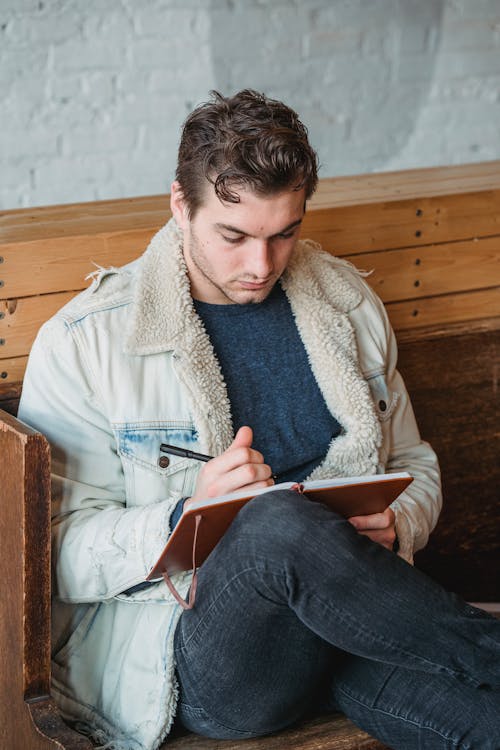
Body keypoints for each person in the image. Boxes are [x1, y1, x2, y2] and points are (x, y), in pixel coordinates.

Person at [19, 89, 499, 750]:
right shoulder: (85, 344)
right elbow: (50, 561)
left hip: (353, 628)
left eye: (284, 234)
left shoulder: (346, 303)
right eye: (233, 235)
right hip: (202, 664)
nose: (260, 265)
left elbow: (413, 464)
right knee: (277, 520)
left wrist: (398, 523)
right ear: (180, 205)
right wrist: (186, 516)